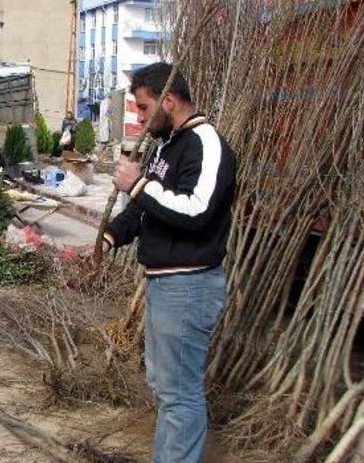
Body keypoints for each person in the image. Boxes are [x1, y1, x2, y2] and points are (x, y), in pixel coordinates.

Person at [102, 62, 236, 463]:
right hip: (166, 285)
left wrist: (137, 186)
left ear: (170, 101)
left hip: (189, 288)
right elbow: (148, 210)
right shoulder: (167, 145)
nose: (139, 118)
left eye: (143, 108)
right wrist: (109, 238)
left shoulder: (207, 144)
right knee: (166, 389)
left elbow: (196, 212)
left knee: (180, 395)